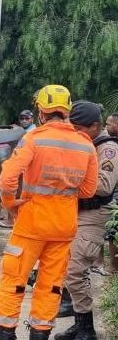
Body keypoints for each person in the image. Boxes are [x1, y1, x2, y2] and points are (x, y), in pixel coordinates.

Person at [0, 85, 98, 340]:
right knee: (50, 286)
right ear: (67, 110)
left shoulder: (34, 138)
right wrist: (63, 193)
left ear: (41, 111)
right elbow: (89, 190)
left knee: (14, 279)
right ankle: (40, 334)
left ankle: (4, 334)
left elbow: (7, 180)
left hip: (31, 223)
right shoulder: (86, 144)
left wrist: (9, 203)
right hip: (64, 227)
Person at [54, 101, 118, 340]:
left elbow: (103, 186)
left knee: (74, 270)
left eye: (79, 129)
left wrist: (67, 180)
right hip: (79, 213)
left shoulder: (108, 148)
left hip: (96, 214)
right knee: (70, 269)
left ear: (95, 126)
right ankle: (80, 323)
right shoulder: (86, 142)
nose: (75, 133)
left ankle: (86, 330)